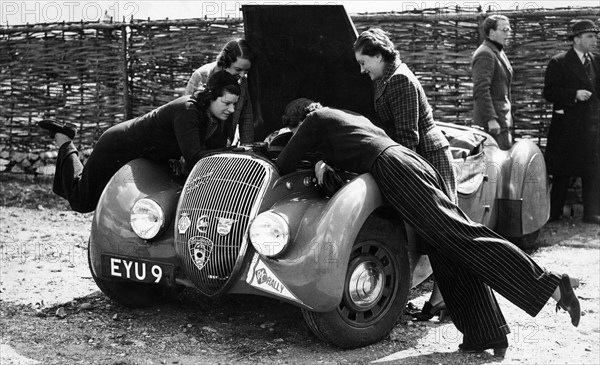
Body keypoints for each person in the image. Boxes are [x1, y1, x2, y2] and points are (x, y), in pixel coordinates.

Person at [275, 98, 581, 358]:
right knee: (445, 248)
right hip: (410, 163)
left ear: (298, 120)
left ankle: (551, 284)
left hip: (394, 169)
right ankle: (486, 332)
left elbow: (286, 162)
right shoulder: (344, 117)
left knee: (463, 237)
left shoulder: (315, 119)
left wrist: (288, 146)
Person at [354, 28, 456, 321]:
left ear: (378, 55)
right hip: (420, 156)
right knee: (434, 232)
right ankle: (441, 299)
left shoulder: (399, 80)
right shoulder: (385, 77)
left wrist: (400, 175)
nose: (362, 69)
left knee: (443, 230)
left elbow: (407, 136)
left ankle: (445, 300)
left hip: (427, 158)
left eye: (364, 62)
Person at [38, 71, 241, 213]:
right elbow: (195, 156)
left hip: (145, 154)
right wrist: (233, 153)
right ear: (211, 97)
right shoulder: (188, 110)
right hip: (118, 146)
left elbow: (212, 152)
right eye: (227, 103)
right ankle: (64, 139)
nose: (232, 110)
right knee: (82, 200)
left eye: (234, 104)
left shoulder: (216, 116)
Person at [543, 19, 600, 225]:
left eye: (595, 36)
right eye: (589, 37)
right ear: (576, 39)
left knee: (592, 169)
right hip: (567, 125)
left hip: (591, 125)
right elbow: (549, 92)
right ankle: (554, 212)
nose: (594, 40)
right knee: (561, 170)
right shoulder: (559, 62)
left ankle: (592, 212)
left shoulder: (596, 61)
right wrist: (573, 94)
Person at [185, 39, 256, 145]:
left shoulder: (242, 82)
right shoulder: (202, 76)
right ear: (225, 62)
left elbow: (246, 116)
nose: (242, 75)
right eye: (238, 69)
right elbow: (188, 115)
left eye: (245, 71)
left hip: (224, 142)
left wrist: (247, 146)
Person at [471, 15, 514, 150]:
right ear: (491, 32)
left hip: (501, 121)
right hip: (492, 125)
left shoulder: (498, 52)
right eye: (504, 30)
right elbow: (481, 89)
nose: (509, 33)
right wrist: (491, 119)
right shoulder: (485, 54)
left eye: (509, 29)